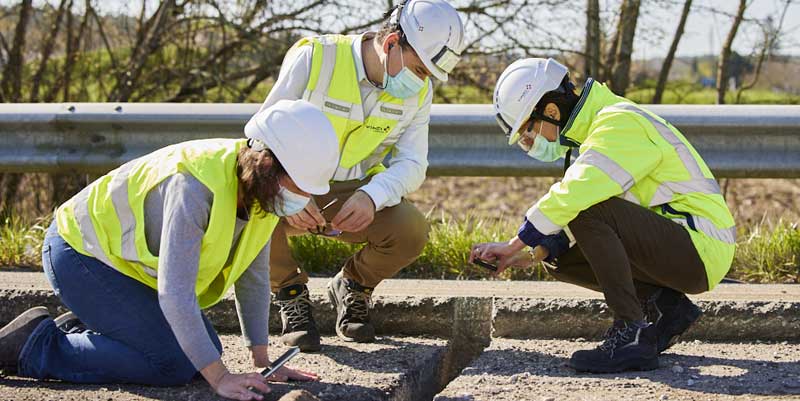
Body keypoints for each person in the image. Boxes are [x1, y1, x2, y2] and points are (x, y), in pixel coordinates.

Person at [0, 100, 340, 401]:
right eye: (300, 187)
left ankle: (89, 329)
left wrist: (262, 361)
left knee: (205, 351)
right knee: (173, 364)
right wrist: (220, 377)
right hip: (79, 253)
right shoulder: (193, 187)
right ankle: (36, 344)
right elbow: (176, 294)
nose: (304, 200)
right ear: (269, 165)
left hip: (125, 269)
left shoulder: (264, 193)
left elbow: (253, 278)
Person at [471, 58, 736, 373]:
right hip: (682, 245)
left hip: (702, 248)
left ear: (552, 112)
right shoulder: (597, 133)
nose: (531, 145)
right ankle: (667, 310)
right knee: (558, 253)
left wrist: (515, 242)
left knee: (584, 208)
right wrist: (528, 255)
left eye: (528, 133)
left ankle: (631, 332)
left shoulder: (618, 123)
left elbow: (576, 195)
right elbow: (583, 229)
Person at [251, 0, 466, 351]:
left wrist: (373, 195)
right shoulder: (315, 57)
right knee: (249, 201)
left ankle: (352, 286)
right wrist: (285, 194)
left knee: (410, 231)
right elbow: (260, 138)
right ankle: (288, 292)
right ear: (392, 43)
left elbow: (413, 163)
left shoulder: (419, 94)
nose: (422, 82)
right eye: (420, 69)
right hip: (291, 184)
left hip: (350, 197)